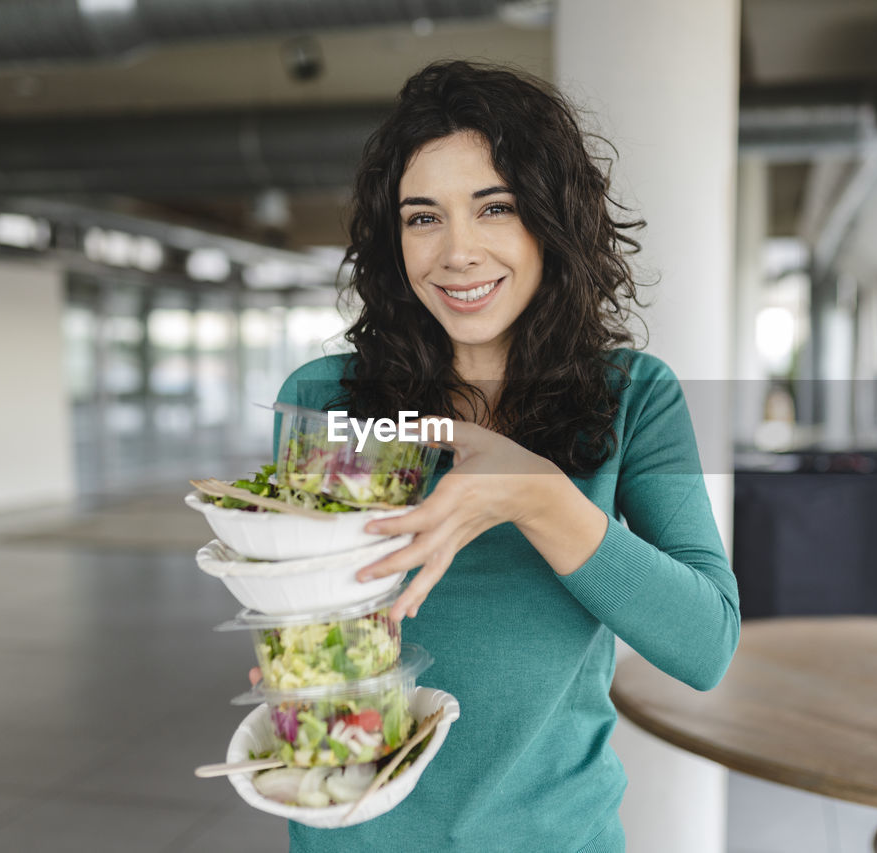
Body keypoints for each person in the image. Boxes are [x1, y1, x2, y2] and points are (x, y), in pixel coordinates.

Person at [275, 60, 739, 852]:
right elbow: (312, 639)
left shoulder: (633, 397)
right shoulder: (328, 401)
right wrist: (299, 676)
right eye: (423, 218)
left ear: (552, 221)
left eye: (495, 207)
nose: (457, 251)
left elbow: (705, 647)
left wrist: (538, 496)